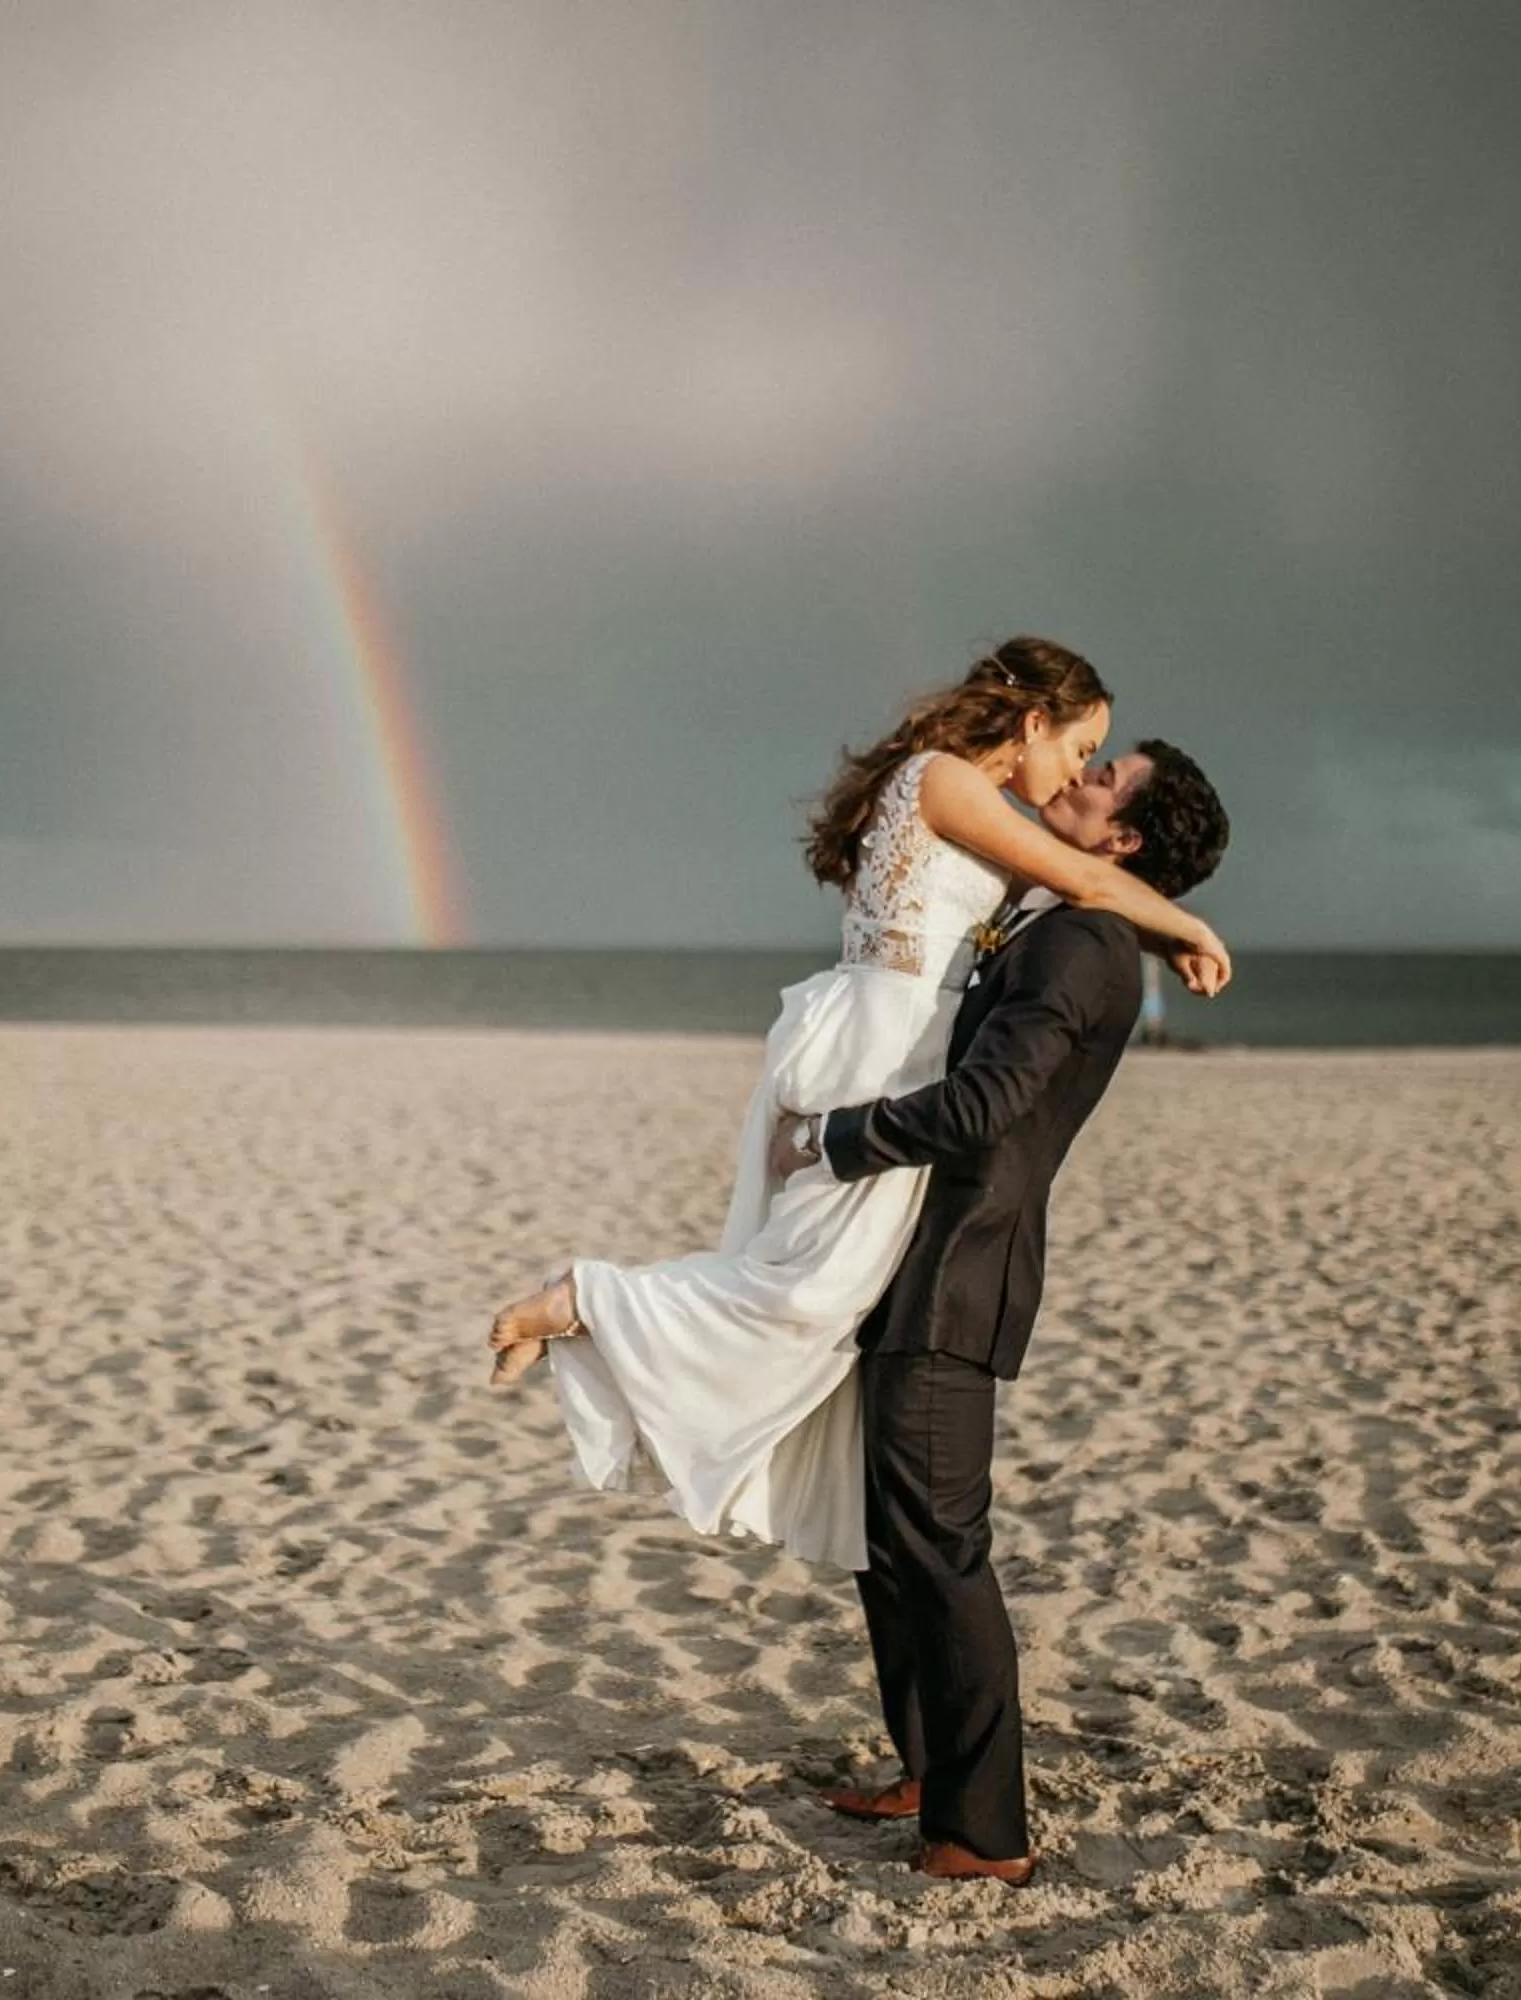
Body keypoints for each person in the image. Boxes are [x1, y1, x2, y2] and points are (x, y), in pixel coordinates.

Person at [484, 639, 1229, 1578]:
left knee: (808, 1288)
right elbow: (1081, 881)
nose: (1080, 770)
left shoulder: (978, 804)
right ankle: (582, 1301)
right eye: (1084, 749)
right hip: (877, 1045)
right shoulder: (948, 781)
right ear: (1035, 724)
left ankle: (593, 1316)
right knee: (805, 1290)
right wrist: (1191, 927)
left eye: (1098, 766)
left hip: (884, 1043)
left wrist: (1163, 941)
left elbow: (1070, 887)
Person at [783, 736, 1232, 1885]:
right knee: (893, 1548)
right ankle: (927, 1770)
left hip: (958, 1276)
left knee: (943, 1553)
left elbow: (986, 1105)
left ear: (1121, 837)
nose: (1071, 775)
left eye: (1099, 775)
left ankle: (985, 1833)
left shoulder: (1083, 943)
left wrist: (837, 1139)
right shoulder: (1060, 917)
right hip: (915, 1262)